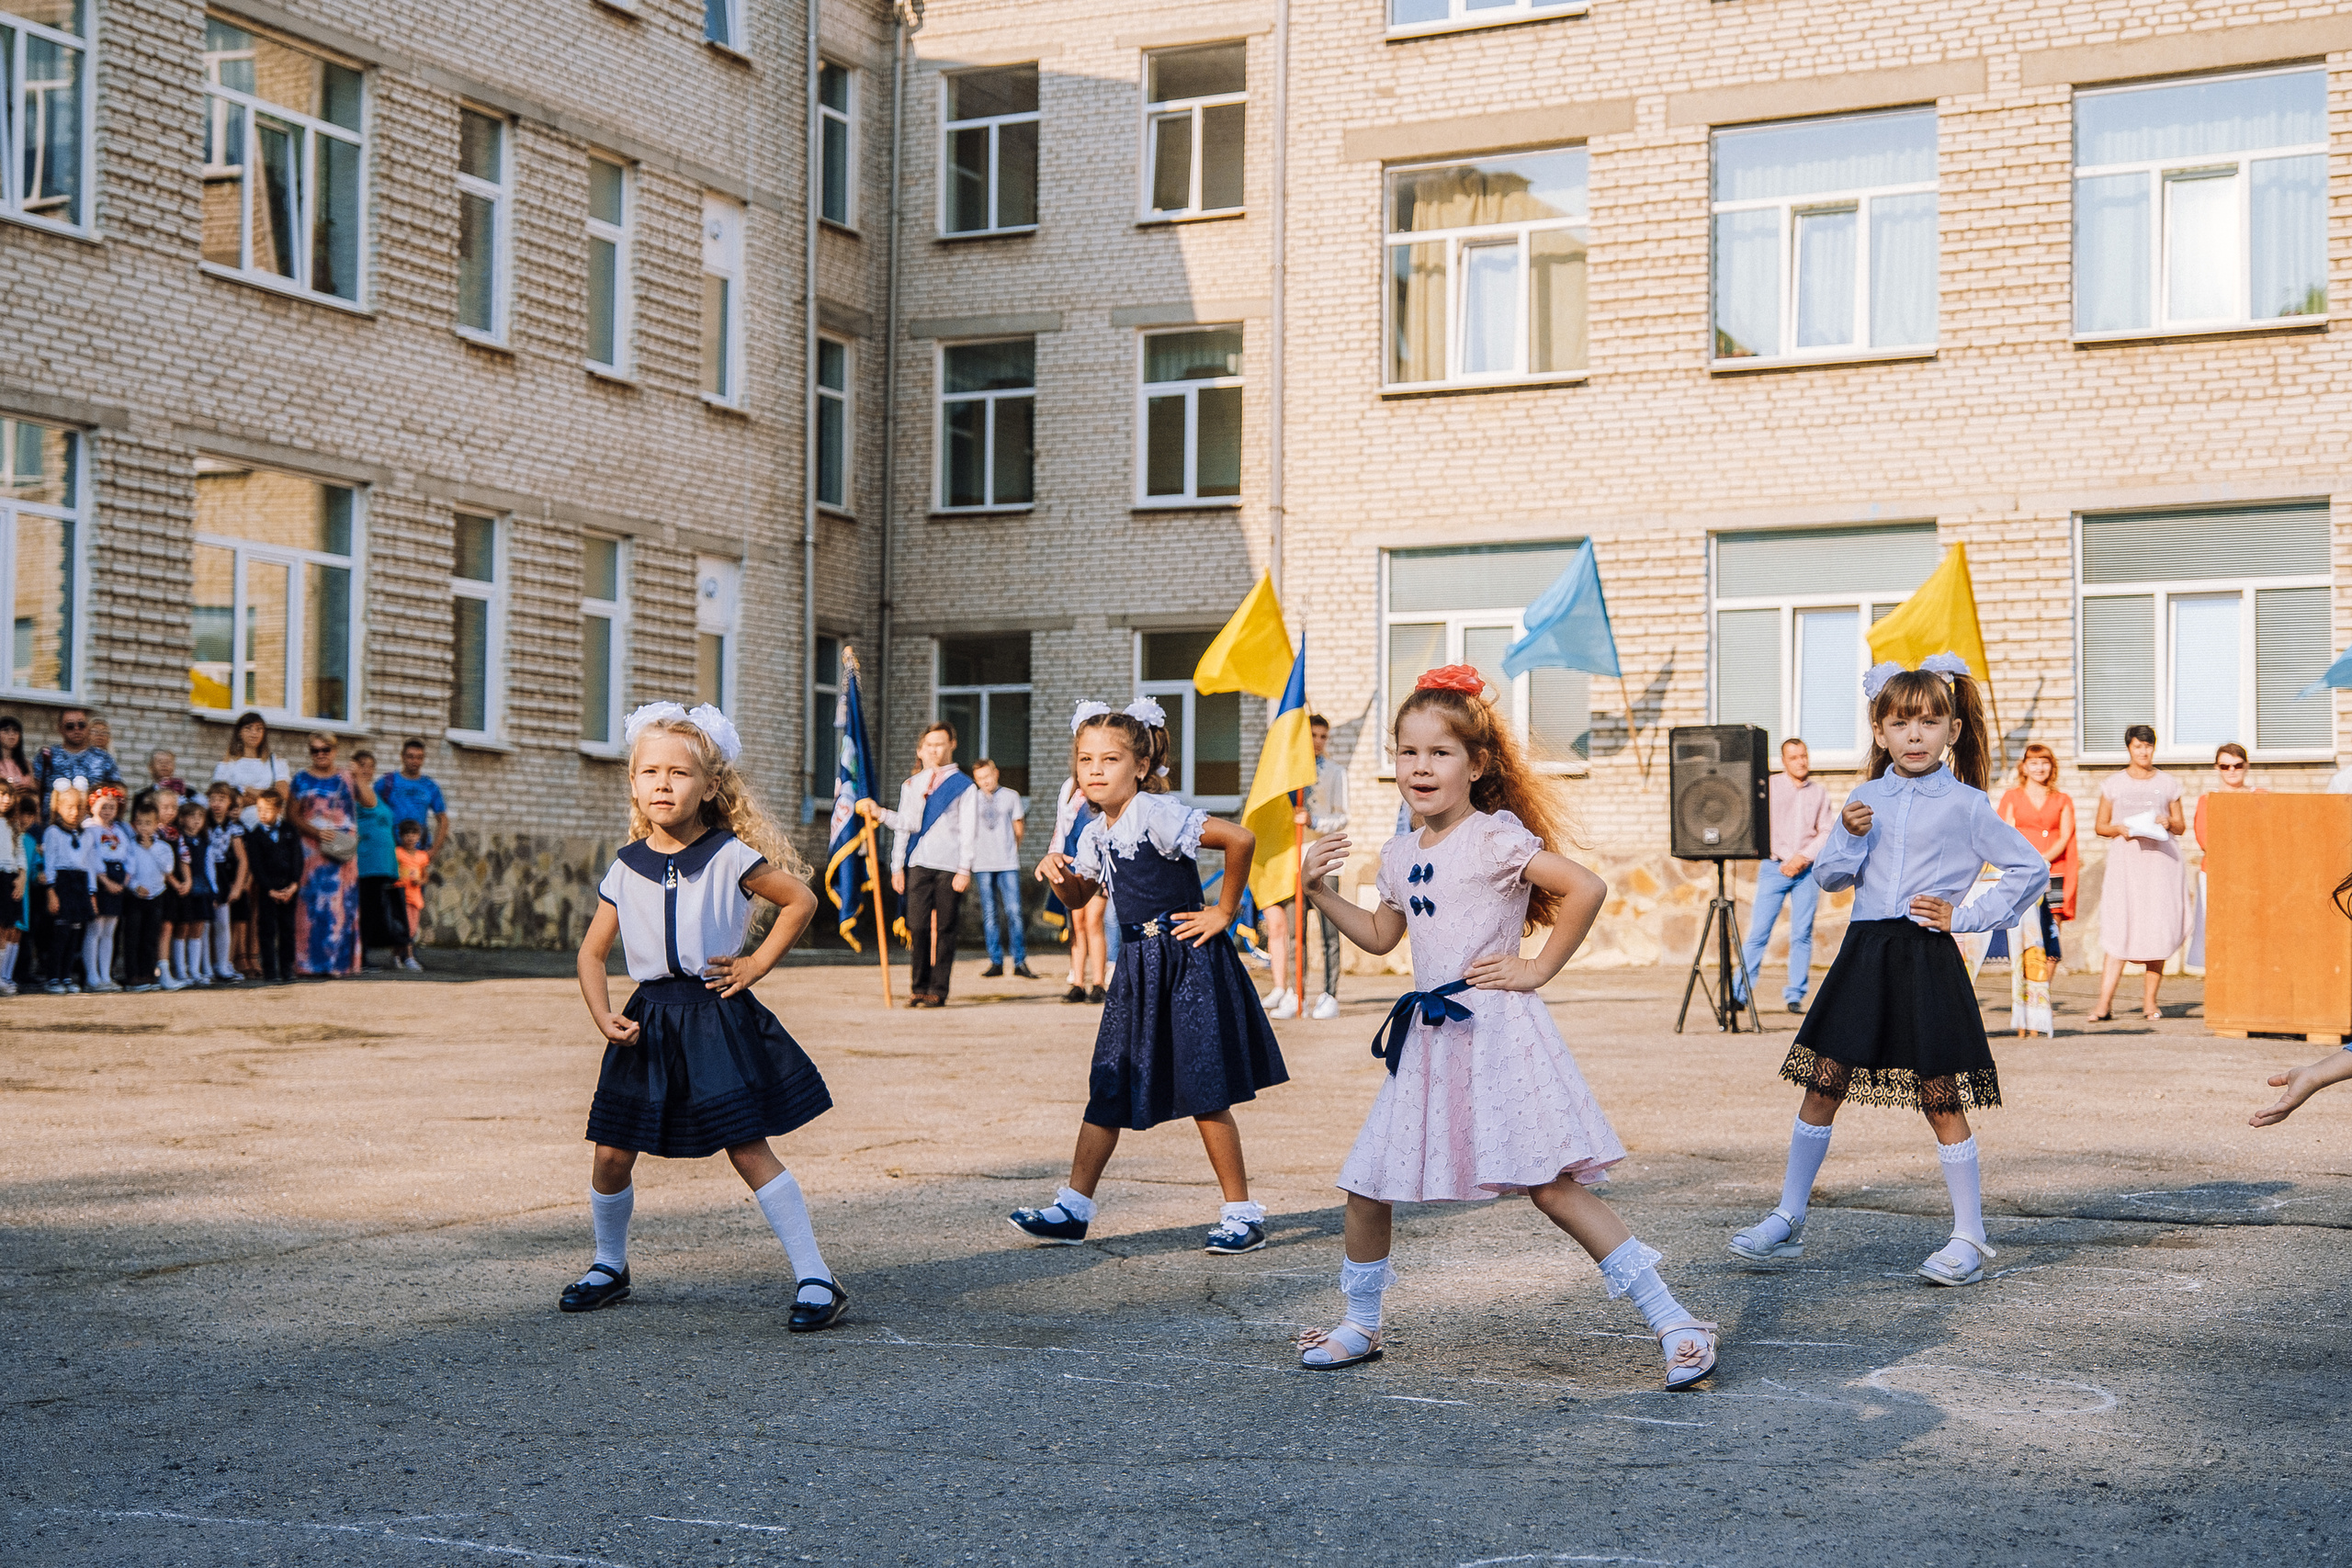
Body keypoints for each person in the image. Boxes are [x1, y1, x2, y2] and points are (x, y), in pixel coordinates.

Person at [1287, 667, 1717, 1384]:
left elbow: (1586, 885)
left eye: (1440, 752)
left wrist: (1538, 967)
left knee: (1551, 1184)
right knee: (1367, 1183)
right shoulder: (1398, 853)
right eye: (1406, 752)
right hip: (1428, 1036)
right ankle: (1361, 1324)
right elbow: (1381, 934)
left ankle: (1676, 1322)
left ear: (1477, 764)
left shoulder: (1494, 838)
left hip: (1497, 1031)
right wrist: (1318, 892)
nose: (1421, 766)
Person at [1729, 653, 2046, 1290]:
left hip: (1927, 959)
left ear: (1952, 730)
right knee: (1823, 1083)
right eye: (1901, 723)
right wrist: (1844, 835)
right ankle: (1789, 1217)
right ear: (1880, 732)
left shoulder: (1968, 804)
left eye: (1930, 721)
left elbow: (2029, 868)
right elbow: (1831, 877)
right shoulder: (1862, 798)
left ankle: (1969, 1236)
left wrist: (1965, 915)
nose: (1915, 735)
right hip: (1865, 955)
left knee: (1940, 1095)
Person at [566, 702, 846, 1332]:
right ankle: (609, 1265)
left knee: (746, 1146)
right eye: (650, 772)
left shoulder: (728, 854)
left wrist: (754, 965)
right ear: (634, 782)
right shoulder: (626, 863)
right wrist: (603, 1014)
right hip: (647, 1021)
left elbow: (800, 898)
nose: (663, 784)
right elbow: (591, 952)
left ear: (711, 786)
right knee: (612, 1149)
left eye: (680, 773)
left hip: (713, 1016)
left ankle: (816, 1276)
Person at [1012, 699, 1287, 1255]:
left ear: (1139, 766)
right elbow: (1081, 897)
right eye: (1085, 758)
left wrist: (1224, 912)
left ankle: (1241, 1213)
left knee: (1204, 1088)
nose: (1094, 769)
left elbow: (1240, 840)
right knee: (1109, 1079)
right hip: (1138, 969)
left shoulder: (1157, 813)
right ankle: (1074, 1208)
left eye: (1109, 759)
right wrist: (1059, 876)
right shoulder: (1094, 831)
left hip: (1187, 963)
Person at [861, 721, 977, 1008]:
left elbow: (969, 829)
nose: (935, 750)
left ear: (951, 745)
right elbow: (907, 825)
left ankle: (938, 989)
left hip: (950, 864)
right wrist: (896, 865)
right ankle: (918, 986)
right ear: (920, 750)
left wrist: (965, 867)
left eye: (940, 744)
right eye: (929, 745)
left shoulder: (965, 786)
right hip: (919, 862)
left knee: (946, 927)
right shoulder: (912, 785)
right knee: (918, 925)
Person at [2089, 724, 2186, 1023]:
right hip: (2127, 864)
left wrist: (2167, 821)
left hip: (2160, 864)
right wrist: (2120, 828)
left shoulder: (2169, 783)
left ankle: (2149, 1003)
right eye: (2137, 746)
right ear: (2129, 748)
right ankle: (2103, 1004)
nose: (2143, 752)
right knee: (2121, 926)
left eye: (2148, 746)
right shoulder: (2113, 783)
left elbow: (2182, 826)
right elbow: (2100, 825)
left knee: (2156, 927)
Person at [1261, 714, 1351, 1021]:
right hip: (1293, 862)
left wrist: (1314, 821)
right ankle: (1295, 992)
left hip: (1324, 862)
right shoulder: (1289, 776)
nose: (1318, 742)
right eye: (1312, 735)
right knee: (1294, 934)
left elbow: (1342, 816)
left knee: (1328, 935)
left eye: (1323, 736)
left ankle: (1329, 994)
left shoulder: (1337, 772)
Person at [1736, 737, 1834, 1015]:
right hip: (1775, 868)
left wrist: (1803, 857)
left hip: (1806, 871)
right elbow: (1757, 823)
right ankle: (1740, 993)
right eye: (1794, 757)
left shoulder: (1819, 793)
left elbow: (1826, 831)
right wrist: (1783, 857)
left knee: (1802, 933)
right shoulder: (1769, 788)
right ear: (1783, 761)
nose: (1801, 762)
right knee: (1758, 932)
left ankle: (1795, 995)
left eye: (1803, 756)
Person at [289, 733, 371, 978]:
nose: (320, 754)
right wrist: (315, 831)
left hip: (342, 852)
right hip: (312, 853)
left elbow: (370, 801)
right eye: (315, 750)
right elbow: (292, 815)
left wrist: (358, 776)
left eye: (325, 749)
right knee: (311, 908)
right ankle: (309, 964)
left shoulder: (346, 776)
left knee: (341, 908)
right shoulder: (301, 779)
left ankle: (338, 964)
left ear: (334, 750)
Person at [1998, 742, 2076, 965]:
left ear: (2052, 767)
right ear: (2023, 767)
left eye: (2045, 763)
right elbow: (2004, 832)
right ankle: (2024, 994)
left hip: (2054, 870)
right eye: (2033, 763)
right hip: (2023, 871)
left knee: (2051, 931)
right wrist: (2027, 862)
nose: (2039, 768)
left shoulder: (2063, 799)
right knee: (2024, 929)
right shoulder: (2011, 797)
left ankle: (2043, 997)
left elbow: (2065, 835)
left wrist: (2044, 859)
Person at [2187, 743, 2259, 971]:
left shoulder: (2261, 797)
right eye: (2225, 766)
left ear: (2246, 766)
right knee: (2217, 930)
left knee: (2251, 930)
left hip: (2253, 873)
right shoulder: (2208, 800)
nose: (2231, 771)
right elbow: (2204, 837)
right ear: (2217, 768)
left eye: (2237, 765)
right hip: (2217, 872)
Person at [969, 758, 1035, 979]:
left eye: (987, 776)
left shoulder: (1011, 796)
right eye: (980, 779)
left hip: (1007, 863)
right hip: (982, 864)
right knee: (990, 913)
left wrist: (1010, 850)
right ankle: (995, 961)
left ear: (996, 773)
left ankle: (1020, 961)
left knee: (1014, 911)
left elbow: (1018, 827)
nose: (985, 782)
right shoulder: (972, 799)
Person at [1046, 773, 1108, 1004]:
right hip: (1072, 861)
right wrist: (1055, 857)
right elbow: (1060, 826)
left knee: (1094, 922)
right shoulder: (1069, 788)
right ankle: (1077, 983)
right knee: (1077, 925)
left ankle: (1099, 983)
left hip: (1097, 865)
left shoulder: (1103, 788)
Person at [350, 749, 411, 970]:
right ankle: (361, 956)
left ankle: (370, 954)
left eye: (371, 766)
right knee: (366, 911)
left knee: (378, 911)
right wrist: (355, 776)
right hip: (367, 863)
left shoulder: (375, 792)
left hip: (384, 862)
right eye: (362, 764)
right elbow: (366, 806)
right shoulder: (356, 791)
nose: (368, 769)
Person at [40, 780, 96, 992]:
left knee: (75, 934)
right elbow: (50, 863)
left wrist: (92, 893)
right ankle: (53, 977)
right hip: (62, 883)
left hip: (80, 884)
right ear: (58, 808)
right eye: (69, 807)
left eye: (79, 807)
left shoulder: (87, 835)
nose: (75, 812)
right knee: (60, 933)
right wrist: (51, 892)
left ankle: (66, 976)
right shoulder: (53, 833)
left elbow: (89, 865)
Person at [244, 790, 303, 984]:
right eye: (259, 809)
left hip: (289, 888)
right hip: (268, 890)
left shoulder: (290, 830)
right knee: (267, 930)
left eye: (267, 810)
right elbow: (256, 865)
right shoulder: (255, 835)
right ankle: (270, 971)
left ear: (278, 810)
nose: (262, 814)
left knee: (287, 929)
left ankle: (287, 969)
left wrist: (294, 884)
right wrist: (268, 888)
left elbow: (297, 858)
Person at [119, 796, 172, 992]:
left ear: (157, 825)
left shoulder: (163, 847)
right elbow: (128, 871)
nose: (143, 827)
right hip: (136, 897)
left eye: (148, 823)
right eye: (139, 823)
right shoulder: (131, 846)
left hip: (157, 895)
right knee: (133, 936)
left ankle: (149, 973)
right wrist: (134, 886)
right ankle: (133, 976)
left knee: (151, 936)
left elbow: (168, 868)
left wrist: (152, 849)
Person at [198, 782, 250, 984]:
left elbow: (243, 860)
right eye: (213, 799)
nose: (217, 804)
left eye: (222, 799)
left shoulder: (234, 828)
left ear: (230, 803)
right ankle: (204, 967)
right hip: (203, 871)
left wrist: (237, 886)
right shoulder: (203, 823)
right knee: (204, 924)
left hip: (223, 874)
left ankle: (223, 964)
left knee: (222, 923)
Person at [84, 785, 130, 990]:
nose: (107, 811)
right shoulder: (89, 828)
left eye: (112, 807)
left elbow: (130, 855)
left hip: (119, 879)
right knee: (95, 929)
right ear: (92, 806)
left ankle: (105, 975)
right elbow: (91, 857)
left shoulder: (120, 831)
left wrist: (126, 879)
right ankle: (92, 976)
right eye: (103, 806)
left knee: (109, 931)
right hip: (100, 880)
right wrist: (105, 880)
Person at [32, 708, 119, 817]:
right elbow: (34, 793)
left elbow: (117, 794)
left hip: (91, 828)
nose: (76, 729)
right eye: (70, 726)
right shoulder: (46, 756)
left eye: (81, 725)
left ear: (87, 727)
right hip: (52, 827)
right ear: (60, 729)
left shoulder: (103, 758)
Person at [377, 738, 449, 852]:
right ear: (402, 757)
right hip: (390, 850)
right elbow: (369, 811)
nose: (415, 761)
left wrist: (433, 851)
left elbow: (443, 819)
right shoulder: (387, 782)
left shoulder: (430, 786)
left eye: (419, 757)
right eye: (410, 756)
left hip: (418, 852)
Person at [394, 821, 430, 961]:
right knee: (405, 928)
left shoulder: (422, 856)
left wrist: (420, 881)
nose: (410, 837)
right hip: (402, 896)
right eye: (406, 834)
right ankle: (407, 957)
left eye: (413, 834)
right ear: (401, 836)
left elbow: (425, 875)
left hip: (415, 898)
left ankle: (398, 955)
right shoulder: (397, 853)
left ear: (419, 837)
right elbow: (393, 870)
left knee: (412, 929)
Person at [0, 782, 20, 995]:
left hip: (10, 878)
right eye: (1, 795)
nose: (6, 800)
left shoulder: (12, 825)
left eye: (9, 796)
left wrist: (22, 877)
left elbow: (19, 853)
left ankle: (1, 977)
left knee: (6, 929)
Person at [0, 715, 31, 789]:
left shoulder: (26, 764)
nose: (12, 734)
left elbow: (33, 790)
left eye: (15, 730)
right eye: (6, 730)